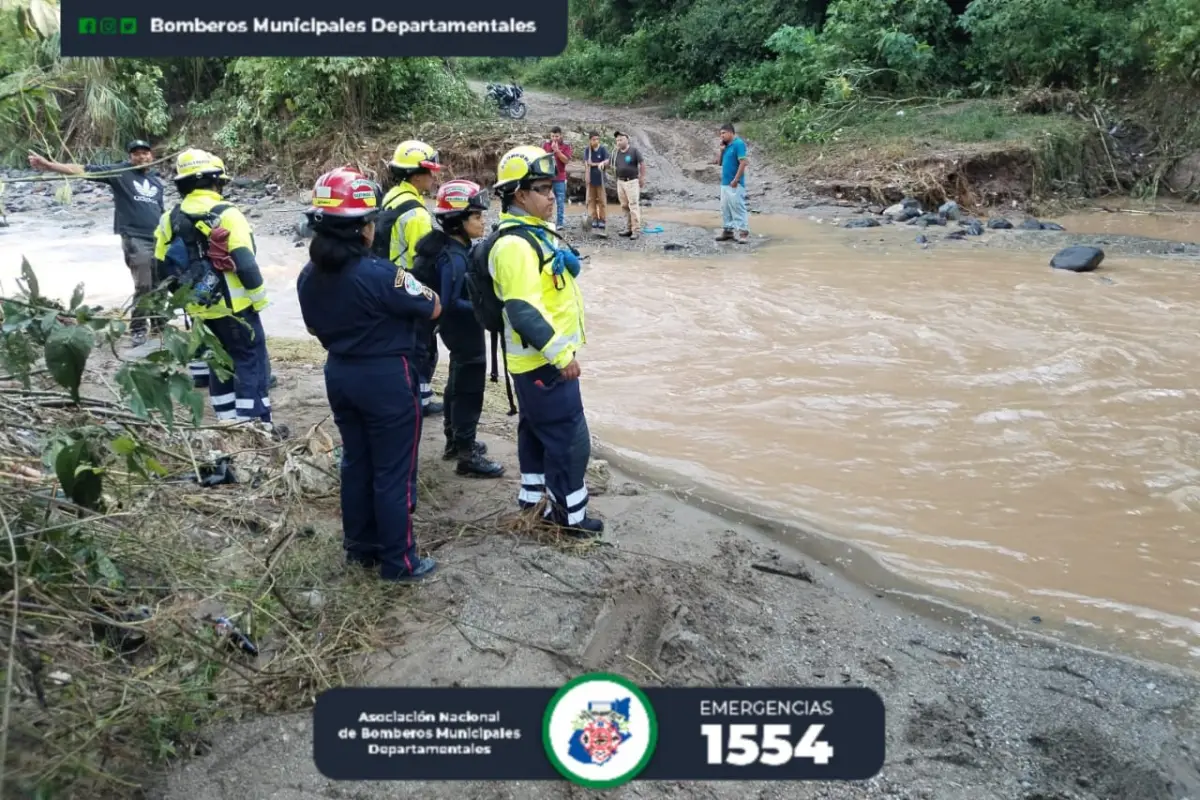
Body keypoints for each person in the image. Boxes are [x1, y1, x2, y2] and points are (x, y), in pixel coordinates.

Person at [297, 167, 442, 583]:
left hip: (339, 374)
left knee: (356, 463)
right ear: (362, 229)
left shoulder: (308, 276)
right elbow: (432, 306)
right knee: (393, 472)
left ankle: (359, 549)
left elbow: (311, 328)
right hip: (386, 378)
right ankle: (400, 561)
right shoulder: (381, 275)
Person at [484, 145, 603, 538]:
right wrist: (561, 356)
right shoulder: (516, 245)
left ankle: (533, 500)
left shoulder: (531, 234)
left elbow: (545, 290)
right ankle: (571, 521)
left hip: (534, 366)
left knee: (535, 431)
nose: (553, 195)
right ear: (519, 195)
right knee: (570, 438)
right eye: (542, 188)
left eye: (552, 187)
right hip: (543, 364)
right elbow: (523, 313)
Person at [152, 148, 273, 425]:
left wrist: (185, 301)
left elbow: (161, 267)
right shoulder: (227, 214)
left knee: (218, 364)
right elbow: (245, 262)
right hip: (236, 310)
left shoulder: (168, 218)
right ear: (215, 180)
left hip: (199, 310)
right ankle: (255, 425)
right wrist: (260, 300)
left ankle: (227, 423)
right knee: (248, 362)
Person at [28, 139, 165, 345]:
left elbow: (160, 210)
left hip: (158, 238)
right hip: (135, 238)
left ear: (151, 155)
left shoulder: (155, 181)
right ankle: (138, 327)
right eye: (136, 154)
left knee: (160, 283)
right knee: (144, 284)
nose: (141, 157)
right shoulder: (120, 172)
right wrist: (49, 166)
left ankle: (158, 324)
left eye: (145, 153)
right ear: (130, 157)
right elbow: (83, 170)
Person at [413, 180, 506, 478]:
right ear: (458, 222)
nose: (482, 222)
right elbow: (450, 302)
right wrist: (489, 310)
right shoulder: (454, 257)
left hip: (453, 332)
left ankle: (454, 442)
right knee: (469, 388)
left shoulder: (448, 247)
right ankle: (466, 455)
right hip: (463, 330)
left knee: (457, 379)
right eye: (477, 217)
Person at [377, 139, 443, 417]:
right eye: (430, 172)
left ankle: (417, 394)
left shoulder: (392, 197)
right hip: (408, 286)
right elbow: (424, 261)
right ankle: (421, 399)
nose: (433, 177)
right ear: (417, 175)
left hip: (387, 282)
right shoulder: (416, 213)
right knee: (423, 347)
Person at [715, 122, 750, 244]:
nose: (722, 136)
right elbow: (719, 163)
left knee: (737, 207)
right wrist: (721, 150)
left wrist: (736, 179)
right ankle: (728, 231)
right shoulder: (727, 146)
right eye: (721, 134)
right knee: (725, 208)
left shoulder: (739, 144)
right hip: (725, 183)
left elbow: (743, 162)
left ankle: (743, 232)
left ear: (731, 132)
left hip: (735, 183)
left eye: (724, 133)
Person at [610, 131, 645, 240]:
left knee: (633, 205)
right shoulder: (616, 153)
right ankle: (628, 228)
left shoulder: (634, 151)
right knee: (624, 206)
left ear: (627, 139)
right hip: (620, 182)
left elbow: (642, 163)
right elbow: (610, 162)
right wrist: (602, 164)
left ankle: (636, 230)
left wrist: (642, 177)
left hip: (632, 182)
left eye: (621, 139)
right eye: (617, 140)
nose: (618, 142)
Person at [542, 126, 572, 228]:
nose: (554, 138)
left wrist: (557, 151)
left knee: (560, 201)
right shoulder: (546, 144)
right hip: (547, 177)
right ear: (550, 135)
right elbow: (541, 158)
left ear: (561, 136)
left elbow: (566, 160)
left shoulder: (566, 146)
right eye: (553, 136)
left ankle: (559, 223)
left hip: (560, 177)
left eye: (557, 136)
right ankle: (546, 221)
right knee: (545, 200)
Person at [583, 132, 608, 231]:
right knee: (591, 200)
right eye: (594, 139)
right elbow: (586, 163)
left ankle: (602, 219)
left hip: (601, 179)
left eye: (597, 139)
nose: (596, 141)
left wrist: (599, 163)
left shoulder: (602, 149)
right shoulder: (587, 150)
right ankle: (594, 218)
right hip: (591, 179)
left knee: (602, 200)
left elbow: (607, 161)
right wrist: (587, 174)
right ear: (590, 140)